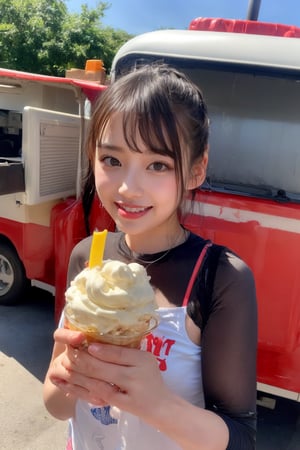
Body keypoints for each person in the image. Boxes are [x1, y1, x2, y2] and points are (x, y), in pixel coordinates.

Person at [43, 64, 257, 450]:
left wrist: (157, 405)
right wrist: (67, 375)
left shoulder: (220, 277)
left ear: (196, 169)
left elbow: (241, 438)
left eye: (158, 164)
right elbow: (57, 407)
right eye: (112, 160)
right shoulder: (86, 258)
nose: (128, 187)